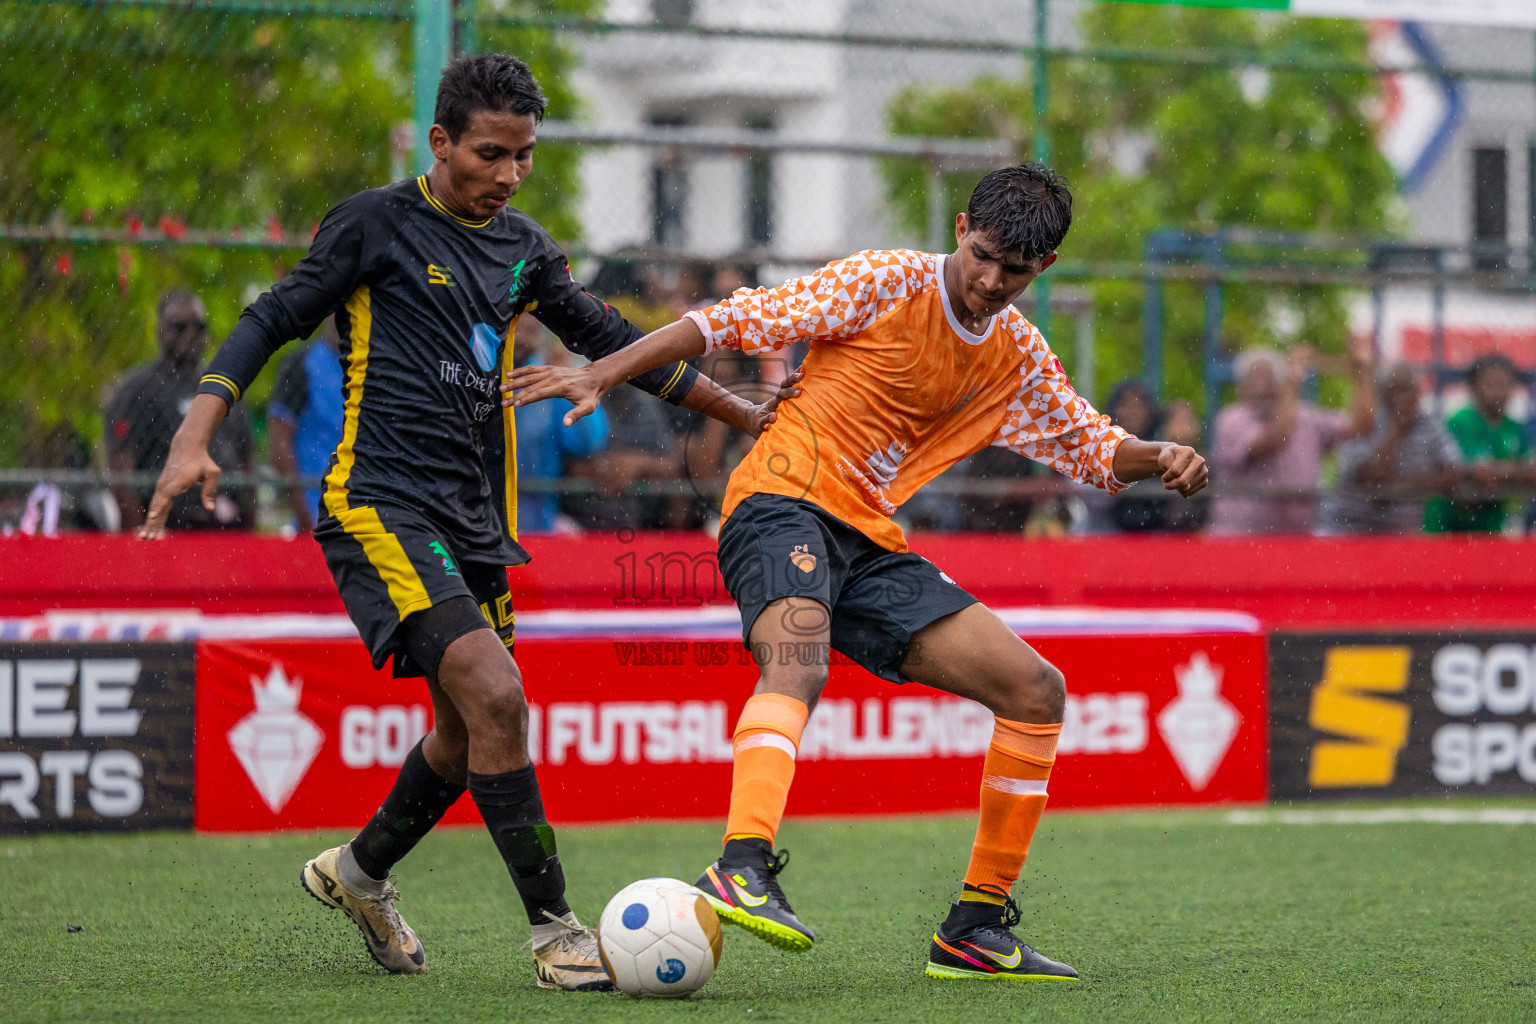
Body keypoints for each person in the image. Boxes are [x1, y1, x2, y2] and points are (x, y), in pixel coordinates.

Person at [139, 53, 785, 990]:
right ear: (440, 142)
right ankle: (557, 935)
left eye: (524, 155)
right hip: (377, 501)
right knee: (499, 696)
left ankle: (358, 873)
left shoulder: (525, 248)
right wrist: (194, 433)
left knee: (463, 732)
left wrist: (744, 412)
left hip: (474, 522)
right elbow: (271, 318)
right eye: (491, 154)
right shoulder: (375, 222)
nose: (510, 173)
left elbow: (616, 342)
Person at [509, 163, 1208, 982]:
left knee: (1035, 691)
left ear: (1043, 268)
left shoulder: (1017, 354)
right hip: (781, 502)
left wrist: (1159, 454)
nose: (991, 281)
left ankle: (974, 927)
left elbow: (1091, 446)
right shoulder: (888, 281)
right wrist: (604, 369)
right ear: (959, 230)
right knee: (798, 661)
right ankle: (741, 864)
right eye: (982, 256)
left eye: (1014, 271)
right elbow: (730, 320)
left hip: (869, 543)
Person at [104, 291, 255, 532]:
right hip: (166, 525)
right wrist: (143, 535)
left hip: (224, 526)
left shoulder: (224, 387)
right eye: (179, 327)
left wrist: (250, 535)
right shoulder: (136, 390)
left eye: (199, 327)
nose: (190, 334)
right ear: (160, 331)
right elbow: (123, 474)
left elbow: (247, 465)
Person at [1210, 341, 1373, 535]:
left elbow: (1360, 427)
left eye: (1269, 378)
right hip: (1238, 541)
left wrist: (1362, 372)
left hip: (1296, 541)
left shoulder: (1306, 417)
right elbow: (1273, 441)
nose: (1262, 387)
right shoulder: (1230, 420)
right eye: (1254, 379)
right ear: (1239, 388)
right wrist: (1290, 386)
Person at [1327, 364, 1461, 534]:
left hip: (1404, 533)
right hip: (1353, 532)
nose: (1407, 397)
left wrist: (1404, 483)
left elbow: (1454, 473)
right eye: (1399, 390)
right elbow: (1371, 478)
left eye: (1411, 389)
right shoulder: (1366, 423)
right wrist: (1397, 428)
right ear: (1384, 394)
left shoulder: (1429, 425)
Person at [510, 315, 609, 533]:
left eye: (530, 331)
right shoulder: (481, 373)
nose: (522, 339)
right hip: (485, 508)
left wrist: (570, 386)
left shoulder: (548, 377)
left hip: (539, 515)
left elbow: (589, 443)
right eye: (515, 330)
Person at [1427, 354, 1530, 533]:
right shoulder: (1458, 422)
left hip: (1493, 528)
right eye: (1490, 384)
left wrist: (1503, 471)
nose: (1498, 391)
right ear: (1473, 388)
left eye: (1504, 383)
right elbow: (1476, 470)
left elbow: (1527, 471)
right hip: (1450, 527)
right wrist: (1509, 471)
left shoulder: (1514, 428)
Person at [268, 316, 344, 533]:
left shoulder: (377, 366)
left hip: (369, 511)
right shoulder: (301, 364)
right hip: (315, 512)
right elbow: (279, 442)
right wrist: (303, 515)